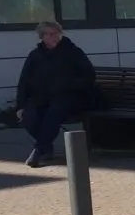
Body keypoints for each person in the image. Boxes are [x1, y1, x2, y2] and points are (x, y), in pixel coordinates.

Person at [15, 20, 95, 168]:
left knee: (54, 112)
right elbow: (24, 82)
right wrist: (20, 105)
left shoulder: (73, 52)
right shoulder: (35, 56)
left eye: (56, 33)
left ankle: (38, 151)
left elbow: (89, 76)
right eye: (49, 34)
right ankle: (45, 146)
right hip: (42, 98)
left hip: (70, 97)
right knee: (28, 116)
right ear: (42, 37)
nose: (53, 37)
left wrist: (68, 85)